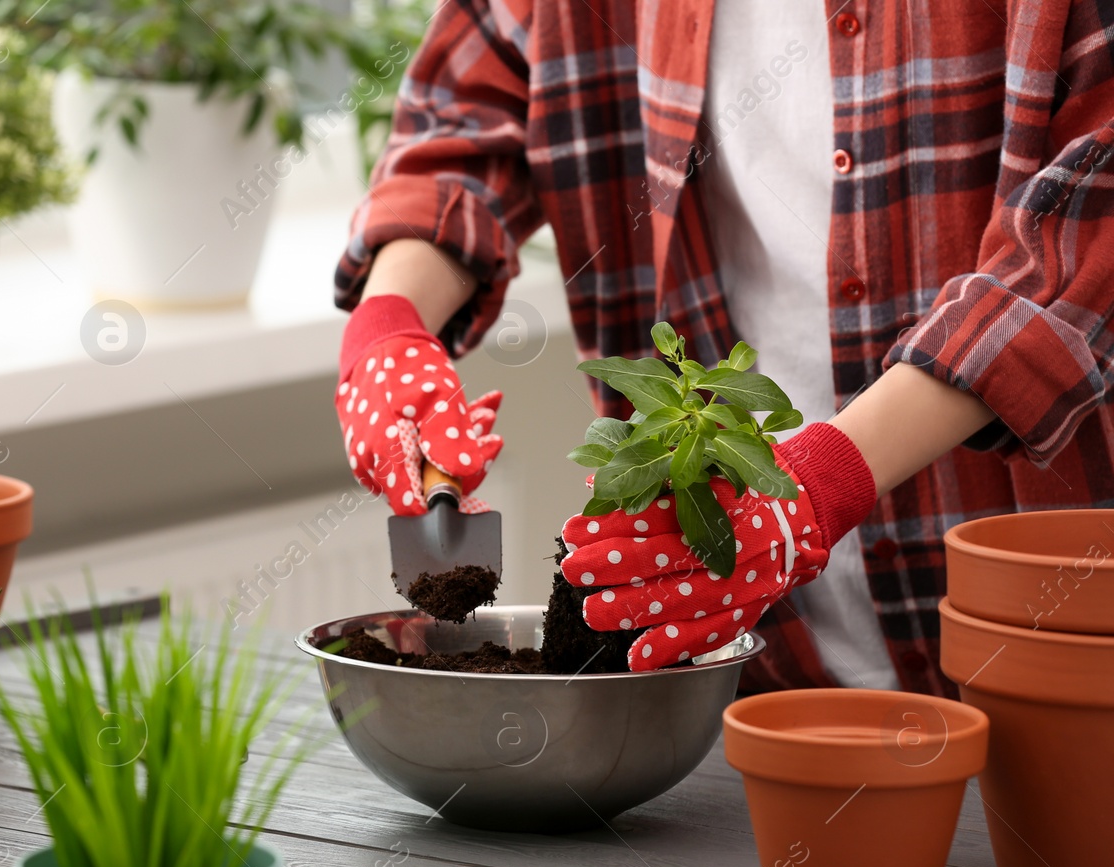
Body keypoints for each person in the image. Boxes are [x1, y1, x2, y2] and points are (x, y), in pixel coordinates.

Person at [331, 0, 1114, 696]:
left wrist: (821, 483)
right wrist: (387, 326)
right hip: (766, 665)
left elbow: (1088, 234)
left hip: (1059, 667)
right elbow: (463, 125)